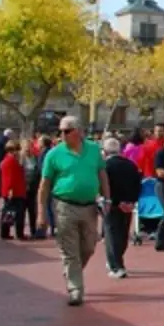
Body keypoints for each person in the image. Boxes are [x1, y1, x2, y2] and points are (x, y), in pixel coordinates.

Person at [38, 116, 110, 306]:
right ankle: (75, 289)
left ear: (78, 131)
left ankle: (73, 271)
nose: (62, 134)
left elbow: (102, 174)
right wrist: (41, 212)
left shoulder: (94, 150)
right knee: (70, 251)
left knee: (88, 246)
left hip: (89, 206)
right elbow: (44, 185)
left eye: (66, 131)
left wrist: (107, 198)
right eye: (60, 131)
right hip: (64, 206)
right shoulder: (54, 154)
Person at [102, 137, 141, 279]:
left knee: (111, 233)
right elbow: (138, 184)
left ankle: (116, 265)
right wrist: (132, 201)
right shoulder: (131, 165)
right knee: (123, 233)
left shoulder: (105, 166)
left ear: (105, 152)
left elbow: (105, 186)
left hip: (112, 203)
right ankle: (116, 259)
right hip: (128, 203)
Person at [0, 140, 27, 240]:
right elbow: (10, 177)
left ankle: (5, 233)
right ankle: (19, 234)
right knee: (18, 214)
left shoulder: (7, 159)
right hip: (15, 191)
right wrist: (11, 190)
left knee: (8, 213)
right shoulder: (11, 160)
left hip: (12, 190)